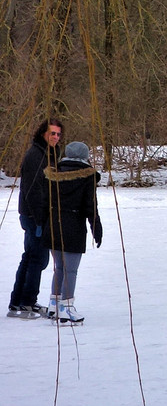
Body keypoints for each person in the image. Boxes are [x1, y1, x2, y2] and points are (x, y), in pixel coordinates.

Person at [43, 140, 102, 324]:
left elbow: (44, 201)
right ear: (85, 156)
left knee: (59, 267)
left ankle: (54, 304)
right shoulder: (87, 177)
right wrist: (96, 228)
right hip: (73, 226)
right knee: (71, 270)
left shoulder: (53, 175)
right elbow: (90, 206)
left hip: (52, 225)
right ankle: (66, 308)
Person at [9, 119, 60, 318]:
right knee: (36, 258)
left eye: (58, 134)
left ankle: (19, 302)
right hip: (33, 215)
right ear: (42, 134)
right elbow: (32, 190)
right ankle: (25, 303)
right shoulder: (35, 155)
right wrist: (40, 219)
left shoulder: (48, 154)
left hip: (39, 215)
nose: (55, 137)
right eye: (52, 133)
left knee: (32, 257)